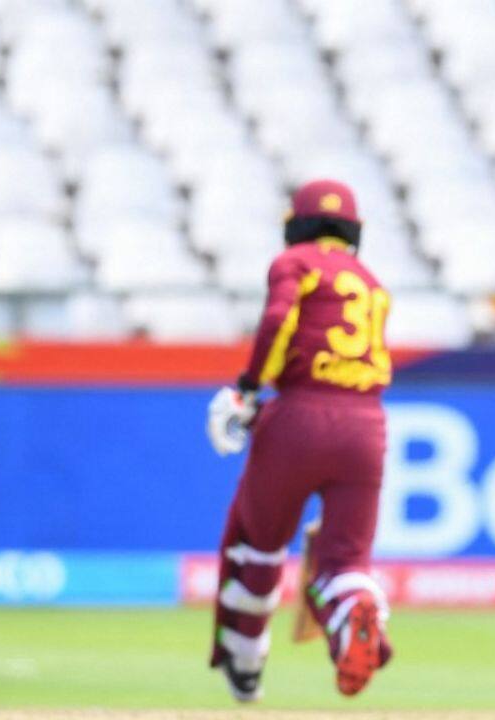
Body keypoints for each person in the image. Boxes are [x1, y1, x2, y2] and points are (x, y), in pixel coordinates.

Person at [204, 179, 394, 702]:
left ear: (297, 223)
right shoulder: (371, 280)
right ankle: (357, 611)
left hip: (299, 416)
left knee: (258, 545)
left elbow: (278, 319)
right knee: (345, 563)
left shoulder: (296, 262)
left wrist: (245, 390)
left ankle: (245, 661)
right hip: (367, 426)